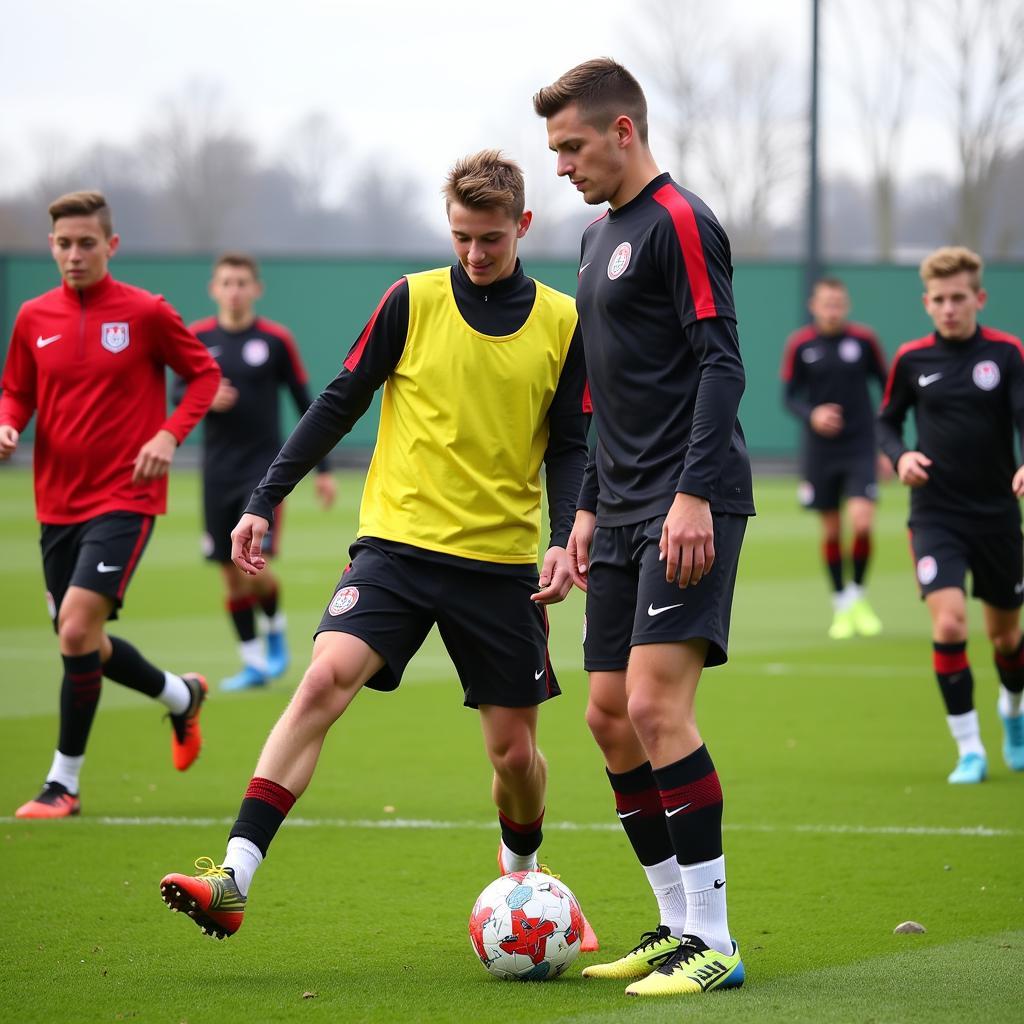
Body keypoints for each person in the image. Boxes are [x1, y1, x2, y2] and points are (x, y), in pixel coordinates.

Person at [159, 150, 597, 948]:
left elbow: (571, 444)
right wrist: (265, 499)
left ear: (523, 226)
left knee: (514, 756)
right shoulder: (411, 299)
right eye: (461, 236)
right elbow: (339, 400)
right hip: (395, 548)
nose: (473, 254)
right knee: (322, 680)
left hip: (500, 566)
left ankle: (526, 875)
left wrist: (566, 537)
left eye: (490, 239)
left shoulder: (563, 321)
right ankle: (234, 878)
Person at [534, 59, 754, 998]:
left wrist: (695, 494)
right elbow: (599, 394)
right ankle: (673, 925)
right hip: (618, 510)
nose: (563, 165)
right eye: (554, 149)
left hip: (685, 505)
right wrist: (583, 509)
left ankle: (716, 941)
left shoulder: (681, 221)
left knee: (661, 710)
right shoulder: (594, 237)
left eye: (572, 145)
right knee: (608, 716)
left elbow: (722, 363)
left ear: (623, 131)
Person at [0, 190, 221, 819]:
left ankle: (62, 784)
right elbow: (15, 391)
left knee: (74, 629)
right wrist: (8, 423)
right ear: (52, 246)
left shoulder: (146, 312)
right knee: (83, 642)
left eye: (86, 243)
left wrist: (167, 434)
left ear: (111, 246)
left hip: (126, 495)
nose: (74, 255)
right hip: (55, 504)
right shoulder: (32, 317)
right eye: (63, 244)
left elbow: (202, 374)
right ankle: (181, 697)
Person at [878, 245, 1024, 784]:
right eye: (938, 300)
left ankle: (1012, 711)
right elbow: (887, 423)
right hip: (936, 514)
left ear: (979, 298)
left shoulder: (1007, 354)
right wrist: (902, 456)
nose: (949, 308)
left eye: (958, 298)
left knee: (1007, 638)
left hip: (997, 517)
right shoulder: (912, 360)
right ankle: (970, 749)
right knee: (950, 621)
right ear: (926, 303)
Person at [184, 253, 336, 691]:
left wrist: (323, 470)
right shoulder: (198, 338)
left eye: (242, 283)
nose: (234, 290)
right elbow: (179, 389)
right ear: (214, 288)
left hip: (263, 472)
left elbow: (308, 403)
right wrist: (204, 396)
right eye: (226, 282)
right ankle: (253, 664)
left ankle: (275, 627)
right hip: (215, 472)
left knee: (254, 563)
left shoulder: (274, 340)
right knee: (229, 573)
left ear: (256, 289)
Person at [780, 278, 888, 639]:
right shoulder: (801, 344)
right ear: (814, 306)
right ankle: (841, 603)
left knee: (861, 523)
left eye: (838, 303)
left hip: (860, 446)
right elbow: (789, 396)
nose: (833, 310)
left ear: (847, 305)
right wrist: (812, 414)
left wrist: (886, 446)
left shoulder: (864, 341)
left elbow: (889, 389)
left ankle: (857, 595)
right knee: (830, 529)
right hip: (821, 452)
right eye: (826, 303)